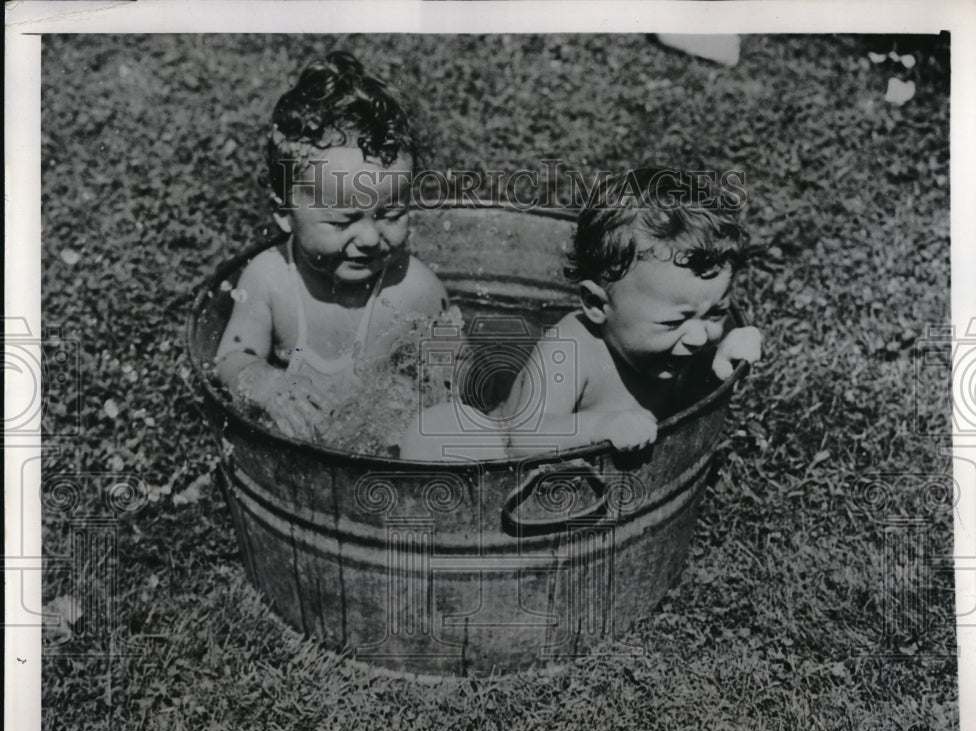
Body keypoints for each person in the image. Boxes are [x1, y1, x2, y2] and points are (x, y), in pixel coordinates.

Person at [400, 168, 762, 461]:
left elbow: (689, 412)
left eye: (716, 312)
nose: (700, 336)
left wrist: (718, 367)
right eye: (673, 322)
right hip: (503, 457)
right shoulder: (573, 348)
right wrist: (599, 427)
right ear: (597, 304)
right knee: (436, 430)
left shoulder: (676, 346)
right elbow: (522, 439)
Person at [214, 52, 450, 440]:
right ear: (285, 213)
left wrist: (420, 407)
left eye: (391, 214)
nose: (371, 238)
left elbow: (451, 387)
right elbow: (230, 358)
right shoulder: (270, 280)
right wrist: (264, 383)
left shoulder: (416, 289)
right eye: (344, 220)